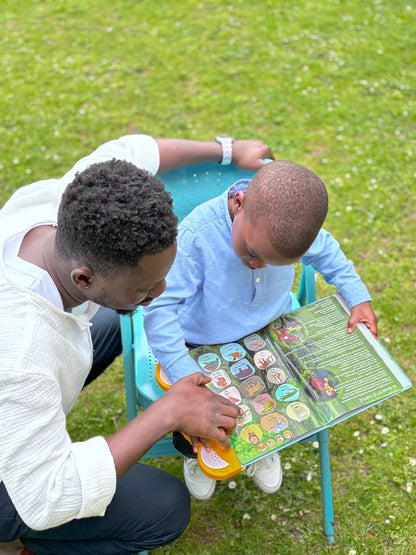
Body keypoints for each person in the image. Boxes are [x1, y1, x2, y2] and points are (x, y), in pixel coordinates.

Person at [0, 134, 273, 555]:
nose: (161, 293)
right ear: (84, 279)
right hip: (15, 483)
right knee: (163, 508)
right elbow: (45, 495)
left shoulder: (63, 204)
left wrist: (228, 150)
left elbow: (135, 150)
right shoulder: (23, 357)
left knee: (112, 315)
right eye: (146, 288)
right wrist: (168, 412)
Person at [143, 159, 378, 501]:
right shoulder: (198, 236)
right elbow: (162, 306)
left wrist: (357, 297)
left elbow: (327, 252)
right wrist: (183, 375)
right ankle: (193, 454)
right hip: (202, 343)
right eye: (252, 253)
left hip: (273, 331)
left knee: (275, 392)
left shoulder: (287, 226)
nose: (257, 265)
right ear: (238, 205)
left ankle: (265, 444)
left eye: (271, 262)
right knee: (198, 410)